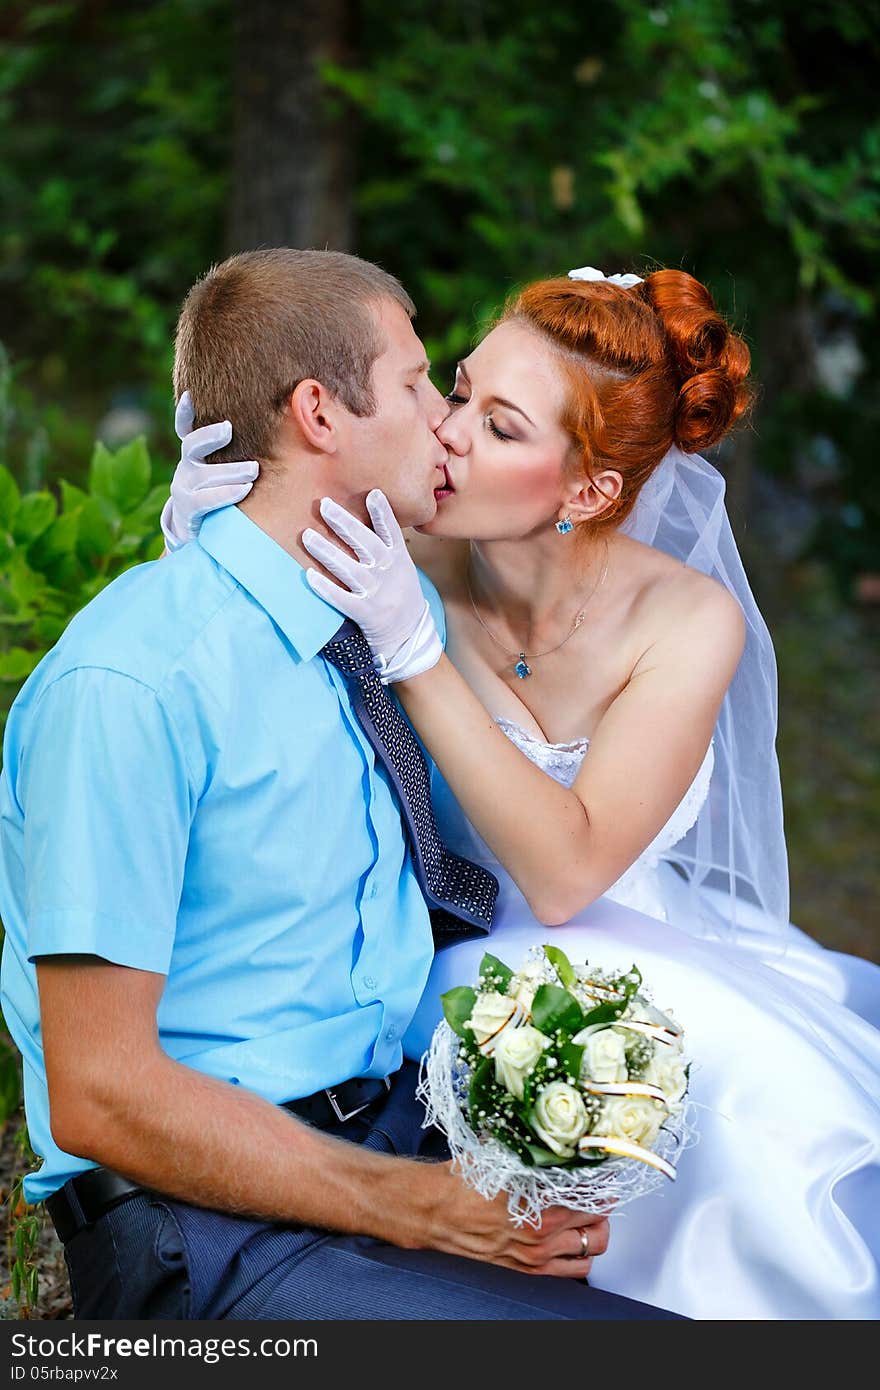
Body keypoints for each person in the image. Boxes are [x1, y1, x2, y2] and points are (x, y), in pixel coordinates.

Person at [169, 262, 880, 1319]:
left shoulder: (686, 621)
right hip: (427, 949)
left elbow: (564, 872)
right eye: (457, 390)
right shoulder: (389, 543)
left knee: (751, 1110)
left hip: (610, 942)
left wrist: (417, 651)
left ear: (585, 490)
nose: (447, 432)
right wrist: (205, 532)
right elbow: (232, 668)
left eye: (499, 426)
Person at [0, 249, 686, 1322]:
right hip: (204, 1233)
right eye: (421, 385)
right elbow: (101, 1094)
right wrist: (421, 1206)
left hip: (379, 1134)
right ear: (320, 412)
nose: (444, 422)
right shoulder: (133, 679)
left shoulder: (372, 621)